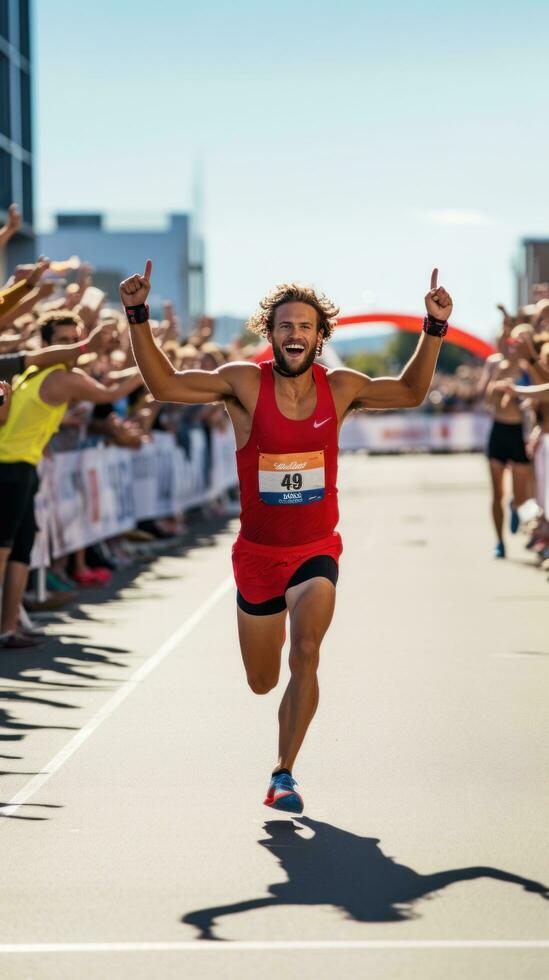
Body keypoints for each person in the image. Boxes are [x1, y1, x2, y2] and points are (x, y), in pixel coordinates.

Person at [121, 261, 452, 813]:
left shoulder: (341, 387)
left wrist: (433, 326)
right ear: (269, 334)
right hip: (257, 556)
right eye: (284, 326)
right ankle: (269, 670)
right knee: (261, 680)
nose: (294, 334)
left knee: (307, 653)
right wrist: (138, 317)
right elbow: (165, 385)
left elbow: (411, 392)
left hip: (315, 550)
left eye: (305, 326)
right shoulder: (244, 383)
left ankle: (284, 773)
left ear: (320, 336)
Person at [0, 311, 143, 650]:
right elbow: (108, 393)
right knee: (6, 551)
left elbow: (106, 385)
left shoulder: (44, 371)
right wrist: (151, 372)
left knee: (21, 549)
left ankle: (8, 627)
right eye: (62, 341)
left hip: (23, 466)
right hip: (10, 467)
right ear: (46, 344)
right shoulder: (60, 377)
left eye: (73, 339)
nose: (70, 347)